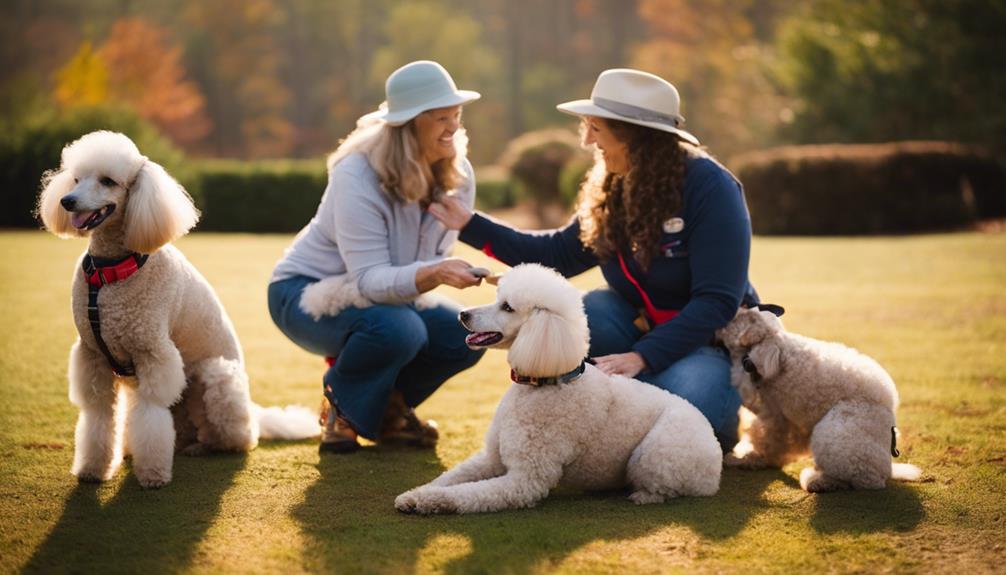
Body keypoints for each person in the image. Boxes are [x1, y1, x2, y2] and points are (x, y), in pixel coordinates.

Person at [429, 68, 758, 451]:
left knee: (691, 399)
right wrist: (469, 224)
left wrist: (642, 357)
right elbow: (558, 254)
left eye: (595, 128)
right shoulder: (614, 184)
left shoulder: (712, 188)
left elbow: (717, 300)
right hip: (638, 329)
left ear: (635, 134)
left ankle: (654, 412)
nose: (586, 140)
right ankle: (624, 412)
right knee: (593, 309)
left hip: (708, 342)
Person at [268, 61, 487, 454]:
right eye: (441, 118)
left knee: (465, 335)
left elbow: (422, 266)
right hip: (304, 293)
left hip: (393, 301)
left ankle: (390, 409)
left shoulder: (460, 174)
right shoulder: (356, 173)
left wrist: (441, 270)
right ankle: (342, 412)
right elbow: (369, 279)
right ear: (408, 125)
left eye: (456, 115)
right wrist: (435, 272)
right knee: (400, 330)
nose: (453, 126)